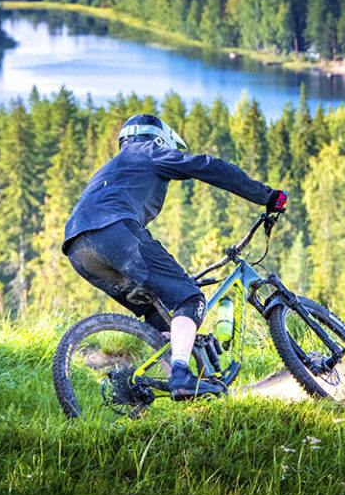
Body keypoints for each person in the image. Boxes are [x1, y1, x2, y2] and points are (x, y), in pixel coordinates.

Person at [62, 113, 287, 400]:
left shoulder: (111, 167)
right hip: (114, 232)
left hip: (78, 248)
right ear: (159, 138)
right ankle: (181, 375)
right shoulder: (146, 151)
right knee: (189, 298)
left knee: (155, 314)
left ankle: (181, 386)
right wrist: (267, 196)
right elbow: (208, 166)